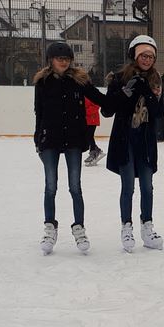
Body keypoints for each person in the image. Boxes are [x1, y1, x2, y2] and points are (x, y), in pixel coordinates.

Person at [34, 40, 106, 254]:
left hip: (73, 140)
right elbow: (39, 112)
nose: (63, 62)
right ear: (51, 60)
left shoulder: (79, 81)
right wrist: (38, 139)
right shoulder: (42, 82)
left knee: (75, 187)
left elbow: (100, 99)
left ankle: (79, 228)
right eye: (60, 59)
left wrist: (119, 97)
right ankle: (50, 227)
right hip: (50, 139)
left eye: (67, 59)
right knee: (50, 186)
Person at [102, 35, 164, 251]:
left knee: (147, 186)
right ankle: (126, 227)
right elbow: (107, 110)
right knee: (127, 185)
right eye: (143, 55)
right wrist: (125, 92)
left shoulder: (156, 81)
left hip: (145, 140)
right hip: (125, 138)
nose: (147, 60)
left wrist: (146, 91)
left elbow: (158, 112)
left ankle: (147, 226)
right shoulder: (119, 78)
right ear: (134, 56)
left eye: (151, 56)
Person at [83, 93, 103, 165]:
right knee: (86, 136)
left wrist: (84, 111)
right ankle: (96, 150)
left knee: (89, 136)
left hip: (92, 120)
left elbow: (96, 106)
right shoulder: (83, 95)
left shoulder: (92, 94)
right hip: (85, 120)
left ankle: (93, 152)